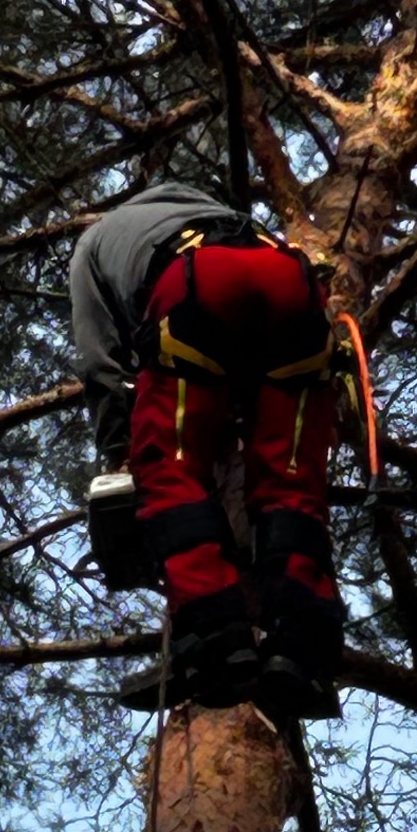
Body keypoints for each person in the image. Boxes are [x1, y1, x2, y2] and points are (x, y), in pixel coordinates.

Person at [70, 180, 347, 718]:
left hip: (198, 285)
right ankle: (300, 644)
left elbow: (100, 361)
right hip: (291, 286)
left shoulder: (95, 242)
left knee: (169, 471)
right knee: (290, 481)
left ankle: (216, 635)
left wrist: (120, 451)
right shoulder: (223, 209)